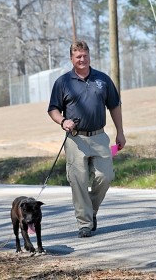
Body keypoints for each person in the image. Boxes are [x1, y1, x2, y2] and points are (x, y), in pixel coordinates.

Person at [48, 40, 126, 238]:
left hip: (99, 136)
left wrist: (120, 132)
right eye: (78, 57)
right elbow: (53, 109)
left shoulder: (103, 79)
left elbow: (115, 105)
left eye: (85, 55)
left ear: (89, 56)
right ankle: (84, 223)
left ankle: (90, 211)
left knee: (105, 176)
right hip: (75, 139)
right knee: (78, 181)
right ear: (72, 59)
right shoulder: (63, 82)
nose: (82, 59)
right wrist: (63, 121)